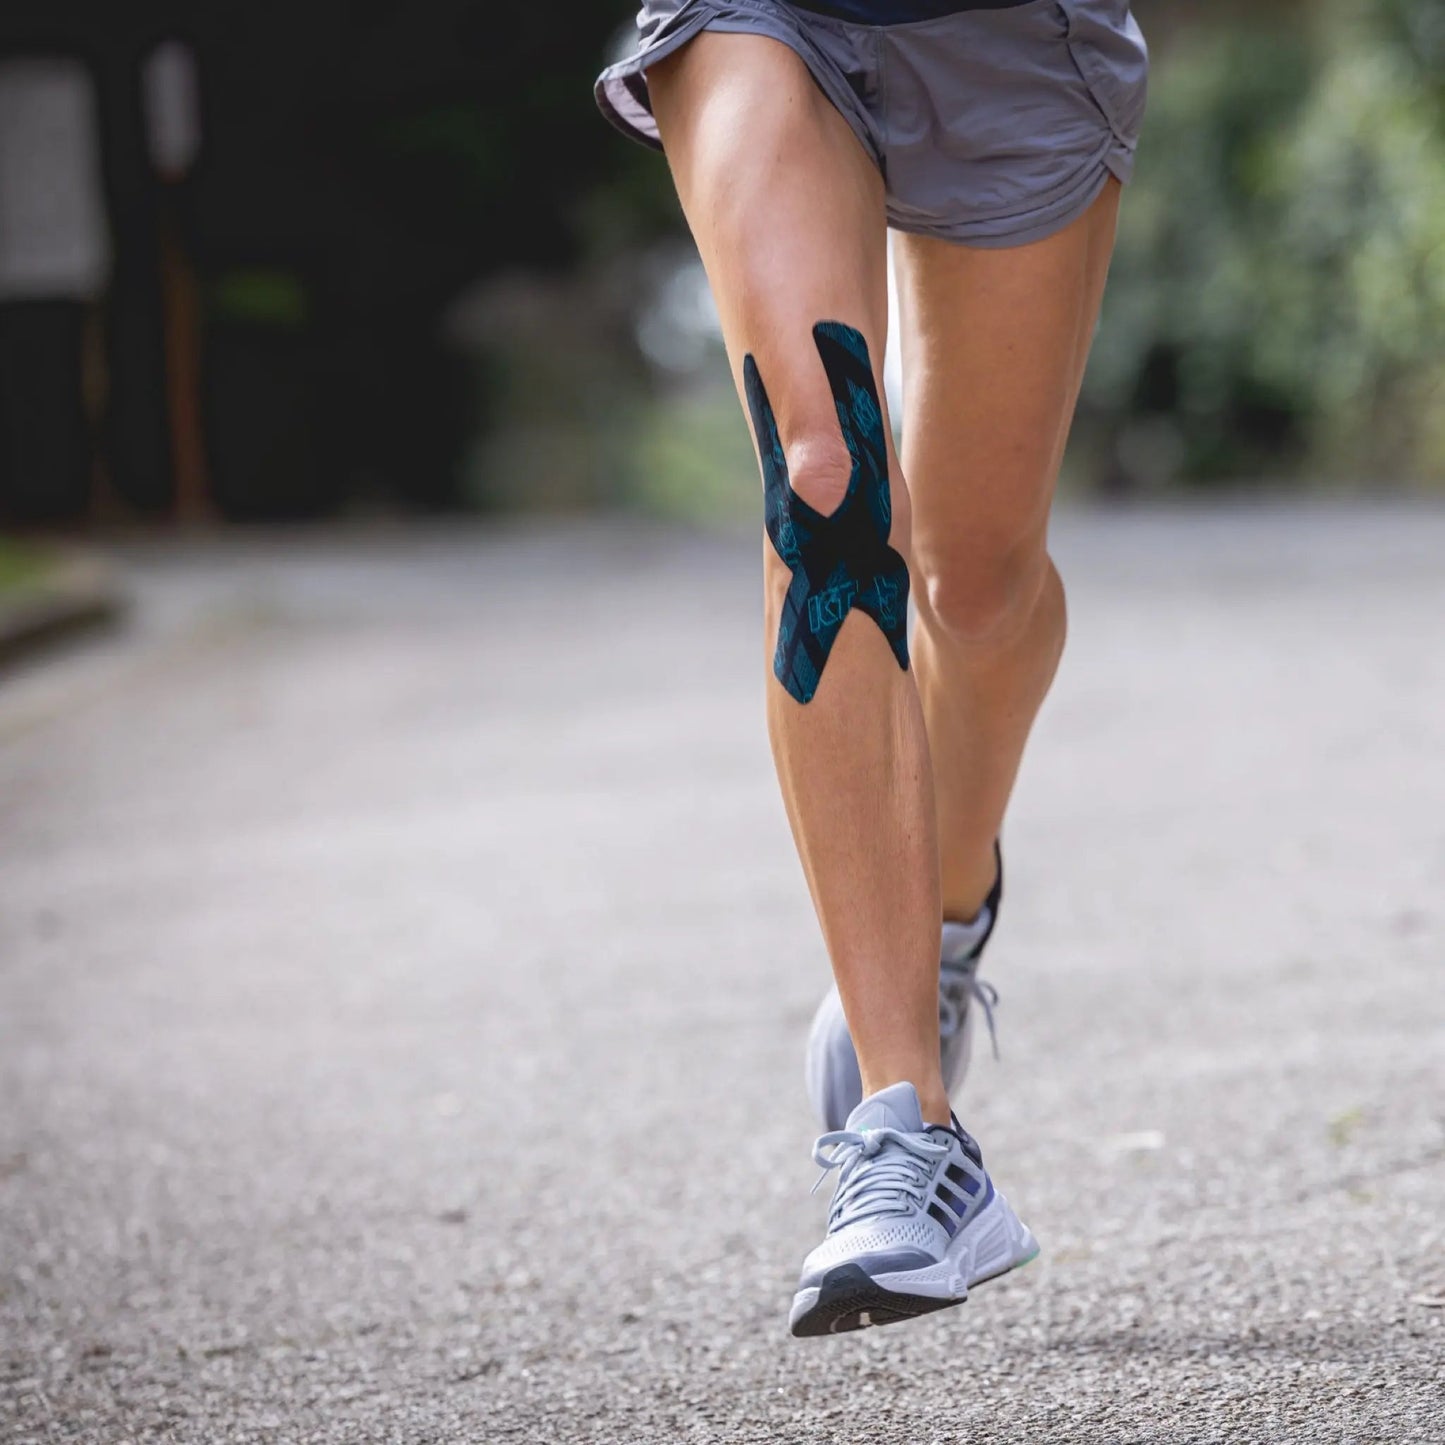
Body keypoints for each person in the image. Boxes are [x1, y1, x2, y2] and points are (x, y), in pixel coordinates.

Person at [595, 0, 1147, 1337]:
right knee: (825, 485)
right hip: (758, 17)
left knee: (981, 582)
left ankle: (942, 907)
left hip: (1012, 33)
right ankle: (907, 1137)